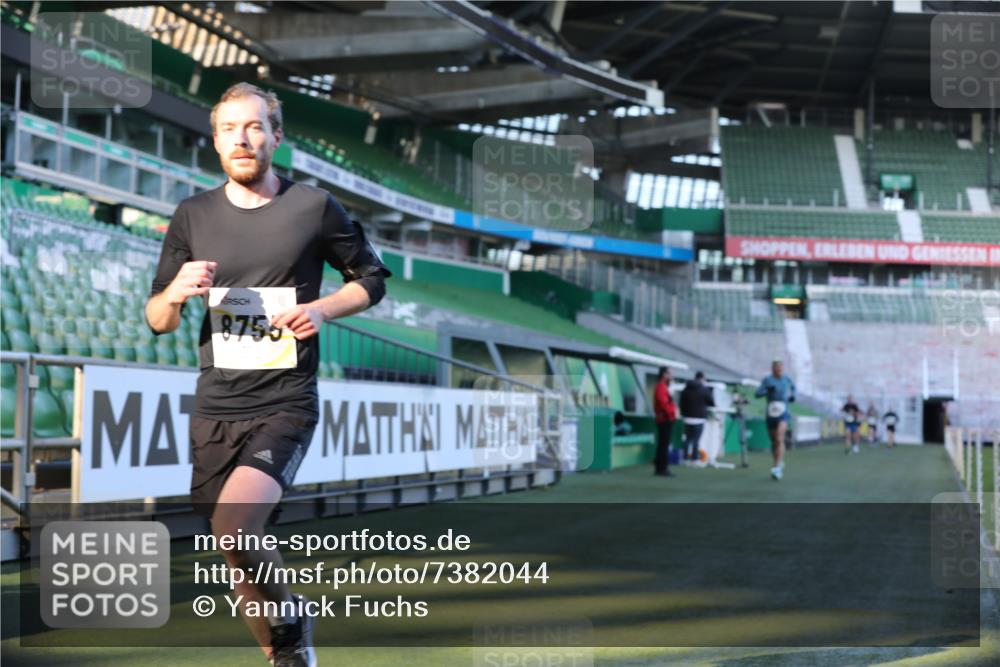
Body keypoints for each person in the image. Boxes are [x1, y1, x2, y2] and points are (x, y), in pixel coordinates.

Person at [145, 82, 390, 667]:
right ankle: (285, 657)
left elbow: (372, 279)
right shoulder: (192, 215)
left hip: (285, 401)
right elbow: (157, 319)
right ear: (215, 140)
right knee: (237, 556)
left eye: (254, 127)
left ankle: (293, 622)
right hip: (215, 408)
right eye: (229, 129)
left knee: (236, 531)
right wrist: (175, 294)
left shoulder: (312, 207)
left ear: (276, 137)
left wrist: (322, 308)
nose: (242, 139)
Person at [756, 360, 796, 481]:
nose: (779, 370)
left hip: (783, 411)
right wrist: (767, 390)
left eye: (780, 367)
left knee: (780, 437)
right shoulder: (767, 380)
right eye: (776, 368)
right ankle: (777, 461)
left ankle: (777, 467)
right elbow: (757, 393)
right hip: (771, 412)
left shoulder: (787, 379)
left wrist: (793, 395)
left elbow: (794, 388)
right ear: (772, 369)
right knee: (774, 442)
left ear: (782, 369)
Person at [679, 371, 715, 463]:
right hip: (699, 418)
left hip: (687, 418)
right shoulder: (704, 389)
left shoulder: (686, 389)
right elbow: (711, 402)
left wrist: (684, 413)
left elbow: (681, 403)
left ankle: (685, 458)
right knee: (696, 440)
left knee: (687, 439)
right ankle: (694, 459)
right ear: (702, 378)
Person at [652, 366, 677, 477]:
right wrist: (672, 414)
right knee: (664, 444)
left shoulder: (663, 386)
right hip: (665, 419)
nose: (672, 376)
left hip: (665, 418)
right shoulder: (661, 386)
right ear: (664, 374)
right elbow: (663, 403)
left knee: (663, 444)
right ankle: (662, 468)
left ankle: (661, 467)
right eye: (670, 373)